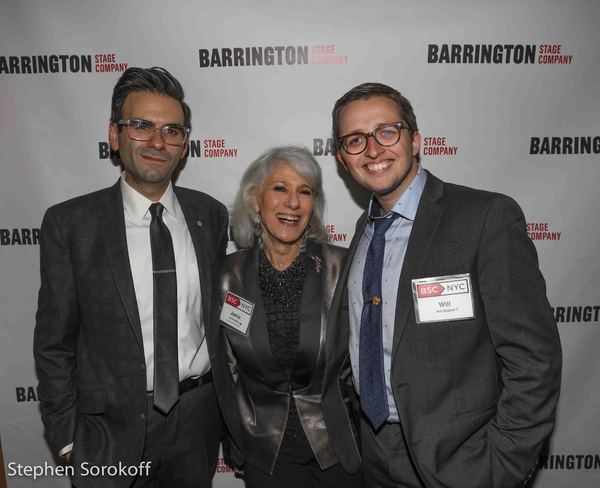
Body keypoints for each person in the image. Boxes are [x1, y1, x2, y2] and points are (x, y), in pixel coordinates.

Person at [330, 82, 562, 488]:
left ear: (415, 140)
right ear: (342, 159)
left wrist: (500, 463)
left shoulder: (484, 217)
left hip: (462, 462)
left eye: (387, 131)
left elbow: (533, 359)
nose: (373, 149)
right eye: (355, 140)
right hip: (373, 454)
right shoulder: (363, 233)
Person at [33, 67, 228, 488]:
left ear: (185, 144)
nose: (157, 142)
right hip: (107, 434)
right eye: (141, 126)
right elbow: (53, 344)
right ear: (114, 134)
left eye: (171, 130)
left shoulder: (210, 217)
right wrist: (67, 442)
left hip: (196, 424)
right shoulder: (71, 225)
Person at [208, 146, 362, 488]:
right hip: (265, 451)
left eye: (304, 192)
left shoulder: (342, 266)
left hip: (338, 447)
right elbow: (227, 370)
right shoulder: (227, 275)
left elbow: (361, 360)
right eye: (280, 188)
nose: (292, 203)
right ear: (255, 200)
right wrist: (235, 440)